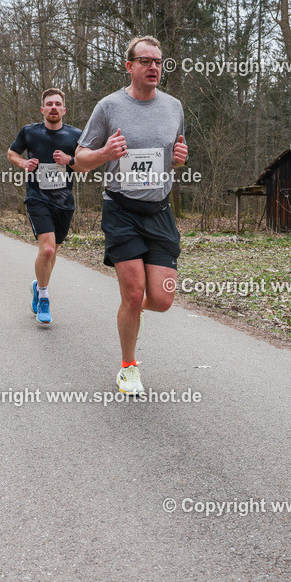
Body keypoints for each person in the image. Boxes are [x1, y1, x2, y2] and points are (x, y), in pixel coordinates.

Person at [73, 36, 188, 395]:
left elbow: (175, 153)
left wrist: (180, 159)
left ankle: (130, 304)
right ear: (129, 66)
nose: (154, 67)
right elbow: (79, 162)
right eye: (145, 61)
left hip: (159, 210)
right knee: (134, 293)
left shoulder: (174, 107)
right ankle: (128, 366)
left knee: (163, 299)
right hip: (121, 208)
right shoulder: (108, 107)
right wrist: (105, 152)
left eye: (158, 61)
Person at [7, 88, 82, 324]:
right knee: (47, 249)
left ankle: (38, 285)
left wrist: (70, 160)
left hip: (64, 201)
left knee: (53, 252)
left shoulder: (76, 135)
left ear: (64, 109)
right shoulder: (29, 132)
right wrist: (23, 162)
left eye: (57, 104)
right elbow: (11, 152)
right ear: (42, 109)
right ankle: (43, 297)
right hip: (37, 197)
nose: (53, 107)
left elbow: (86, 166)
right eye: (49, 104)